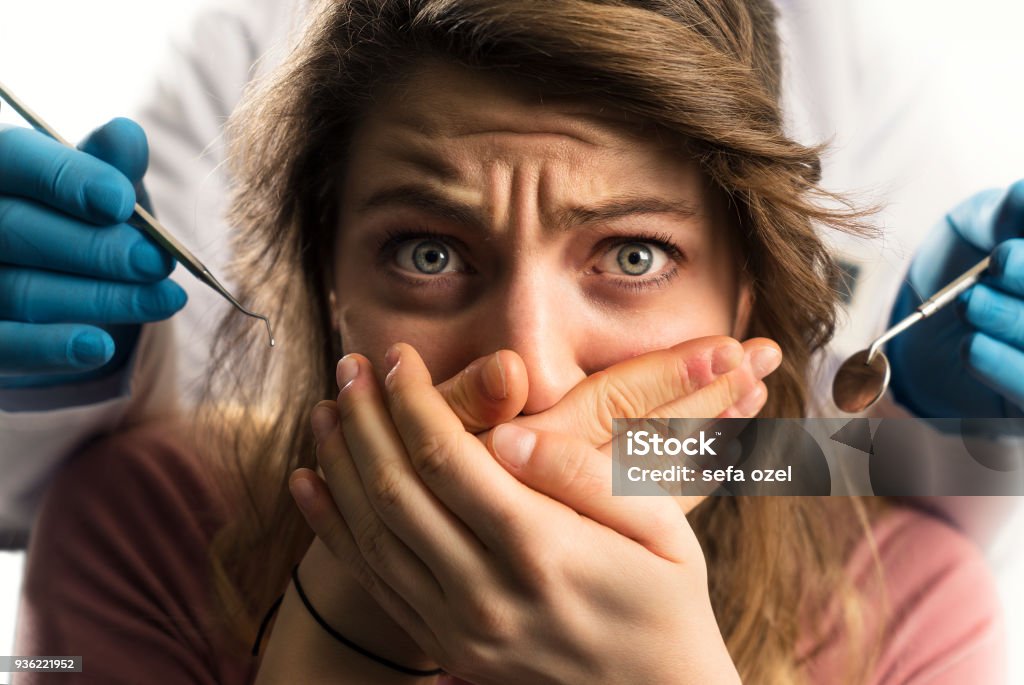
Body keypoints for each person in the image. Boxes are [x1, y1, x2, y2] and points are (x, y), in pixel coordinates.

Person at [14, 1, 1005, 682]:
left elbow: (839, 458)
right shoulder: (144, 529)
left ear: (748, 299)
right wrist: (346, 631)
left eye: (631, 257)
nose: (526, 375)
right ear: (327, 287)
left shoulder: (903, 603)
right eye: (429, 253)